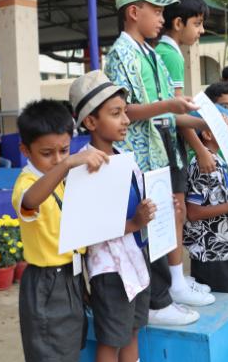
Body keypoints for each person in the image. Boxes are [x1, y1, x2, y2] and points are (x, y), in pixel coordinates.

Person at [104, 0, 209, 326]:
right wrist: (170, 106)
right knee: (147, 228)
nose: (163, 18)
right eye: (157, 11)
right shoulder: (120, 54)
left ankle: (162, 298)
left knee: (161, 226)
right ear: (134, 12)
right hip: (136, 157)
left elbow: (166, 113)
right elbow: (124, 111)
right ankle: (155, 304)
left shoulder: (150, 54)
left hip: (157, 154)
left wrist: (207, 122)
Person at [69, 72, 156, 362]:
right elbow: (87, 228)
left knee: (132, 331)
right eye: (116, 114)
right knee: (111, 340)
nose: (126, 120)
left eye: (125, 112)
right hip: (109, 270)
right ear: (91, 122)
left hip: (135, 259)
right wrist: (135, 223)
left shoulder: (124, 158)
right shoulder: (83, 169)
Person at [12, 100, 108, 362]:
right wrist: (66, 165)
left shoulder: (64, 178)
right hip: (46, 282)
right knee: (51, 352)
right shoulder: (28, 182)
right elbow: (30, 200)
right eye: (47, 153)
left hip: (71, 275)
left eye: (64, 150)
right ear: (25, 150)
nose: (57, 159)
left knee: (69, 348)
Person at [156, 0, 218, 308]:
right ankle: (175, 281)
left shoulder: (168, 52)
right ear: (178, 23)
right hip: (168, 143)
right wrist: (202, 149)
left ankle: (176, 277)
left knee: (175, 211)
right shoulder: (170, 54)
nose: (201, 30)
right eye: (197, 23)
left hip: (170, 141)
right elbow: (176, 115)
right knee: (175, 210)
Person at [184, 82, 228, 293]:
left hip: (227, 247)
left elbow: (214, 196)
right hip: (210, 252)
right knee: (220, 301)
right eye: (223, 124)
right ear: (207, 134)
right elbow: (193, 212)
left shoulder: (219, 160)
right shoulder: (202, 163)